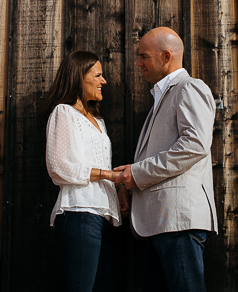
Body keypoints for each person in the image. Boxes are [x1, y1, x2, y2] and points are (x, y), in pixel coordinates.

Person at [114, 27, 217, 292]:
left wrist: (137, 174)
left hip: (178, 221)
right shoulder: (163, 96)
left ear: (166, 56)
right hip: (162, 222)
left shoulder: (189, 88)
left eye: (144, 56)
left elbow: (195, 145)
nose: (138, 63)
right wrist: (129, 183)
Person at [45, 50, 129, 292]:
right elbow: (58, 167)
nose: (104, 81)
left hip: (101, 217)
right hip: (79, 213)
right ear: (79, 77)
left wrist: (118, 188)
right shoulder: (64, 113)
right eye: (98, 75)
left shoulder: (98, 122)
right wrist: (107, 175)